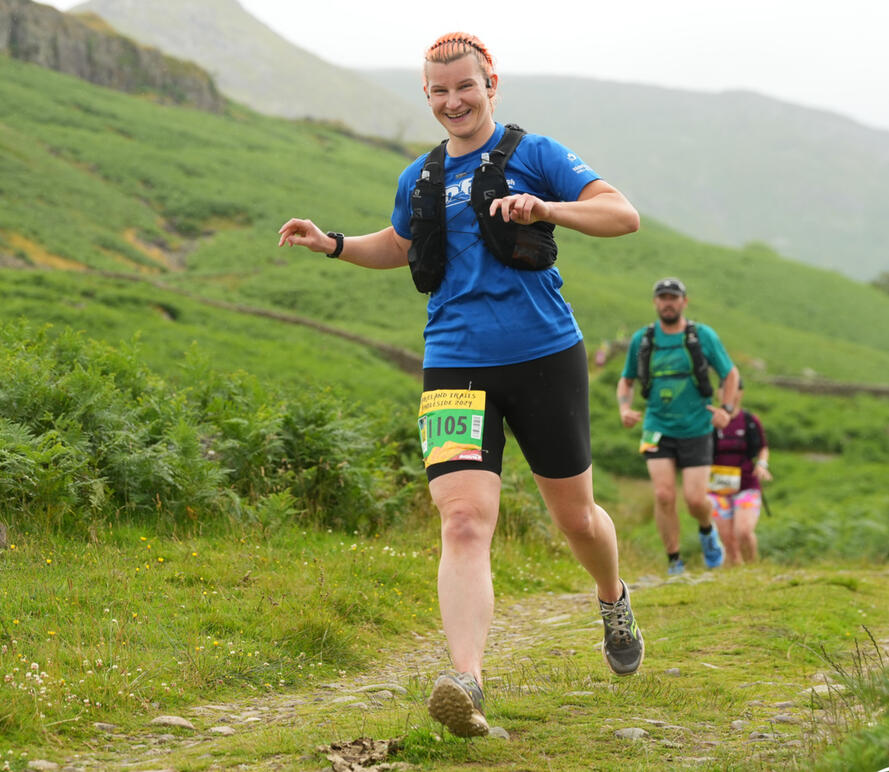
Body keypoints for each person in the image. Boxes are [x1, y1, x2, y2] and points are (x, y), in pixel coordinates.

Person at [278, 32, 644, 738]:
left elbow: (619, 214)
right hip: (452, 362)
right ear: (426, 95)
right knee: (463, 519)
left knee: (576, 519)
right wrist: (333, 244)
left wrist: (546, 210)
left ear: (490, 83)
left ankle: (612, 597)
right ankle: (465, 681)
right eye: (439, 92)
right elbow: (404, 246)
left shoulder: (533, 155)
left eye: (464, 87)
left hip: (544, 355)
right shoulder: (417, 177)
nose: (453, 101)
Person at [616, 277, 740, 576]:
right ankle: (675, 562)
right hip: (656, 426)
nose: (667, 302)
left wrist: (726, 409)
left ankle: (707, 533)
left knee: (696, 499)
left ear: (684, 302)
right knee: (663, 495)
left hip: (697, 428)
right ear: (655, 302)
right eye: (662, 297)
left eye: (673, 297)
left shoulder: (703, 336)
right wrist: (624, 408)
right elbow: (627, 379)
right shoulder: (643, 340)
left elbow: (730, 374)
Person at [708, 380, 772, 564]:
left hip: (746, 486)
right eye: (724, 389)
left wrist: (762, 465)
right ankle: (738, 577)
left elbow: (763, 447)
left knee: (743, 531)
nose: (728, 393)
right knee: (728, 540)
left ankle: (753, 568)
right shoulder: (710, 422)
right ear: (719, 393)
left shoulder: (750, 421)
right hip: (717, 488)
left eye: (733, 389)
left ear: (740, 393)